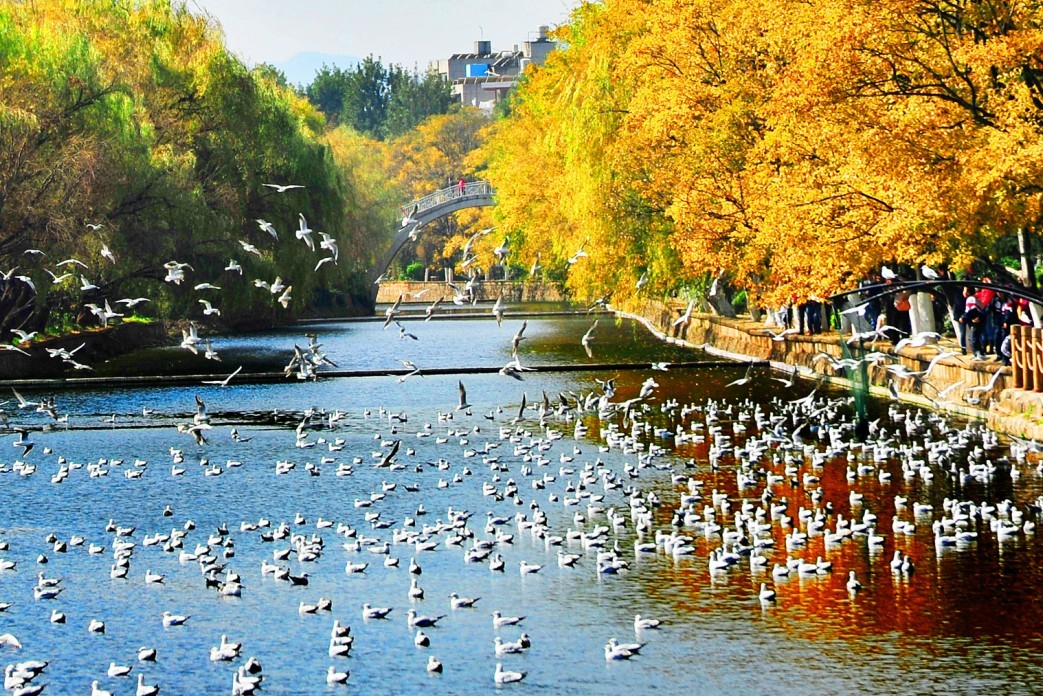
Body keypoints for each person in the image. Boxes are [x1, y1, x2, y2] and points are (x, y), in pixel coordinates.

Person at [959, 286, 983, 359]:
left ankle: (979, 354)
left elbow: (972, 311)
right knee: (972, 337)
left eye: (965, 290)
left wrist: (963, 317)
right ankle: (976, 353)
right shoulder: (970, 299)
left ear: (968, 292)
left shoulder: (971, 299)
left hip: (976, 320)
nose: (963, 292)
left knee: (974, 338)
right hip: (972, 320)